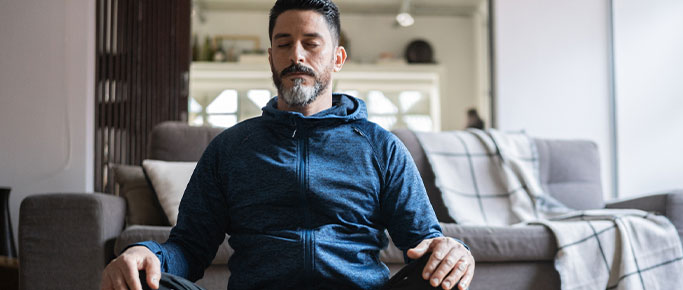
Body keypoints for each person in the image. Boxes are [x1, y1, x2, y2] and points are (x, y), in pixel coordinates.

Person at [100, 0, 475, 289]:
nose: (296, 55)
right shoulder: (231, 149)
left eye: (311, 44)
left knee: (441, 274)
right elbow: (189, 248)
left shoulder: (381, 147)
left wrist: (455, 252)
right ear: (271, 57)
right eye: (284, 44)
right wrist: (145, 252)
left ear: (337, 58)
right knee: (139, 281)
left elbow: (425, 243)